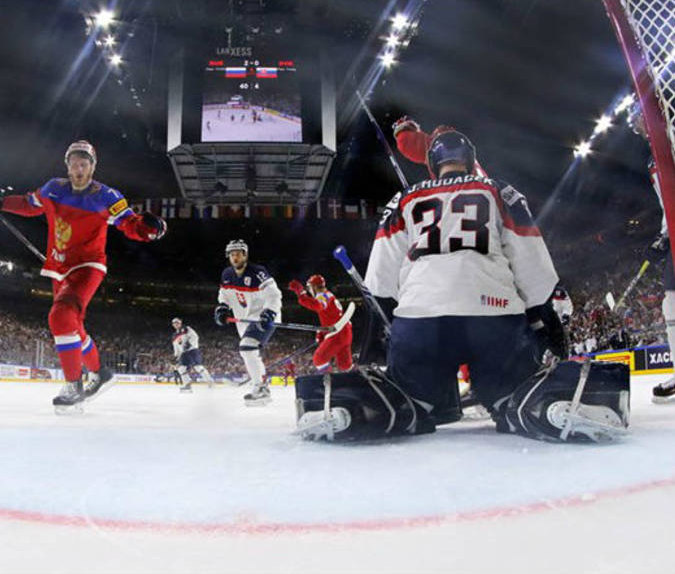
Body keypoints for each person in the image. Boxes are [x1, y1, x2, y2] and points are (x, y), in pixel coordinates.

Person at [296, 129, 629, 443]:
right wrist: (543, 317)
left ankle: (348, 410)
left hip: (421, 319)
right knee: (512, 396)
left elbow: (380, 278)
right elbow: (532, 261)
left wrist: (389, 328)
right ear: (470, 160)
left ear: (432, 165)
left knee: (409, 402)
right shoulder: (499, 190)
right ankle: (549, 406)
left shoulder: (405, 198)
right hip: (493, 317)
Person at [0, 140, 166, 410]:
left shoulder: (106, 196)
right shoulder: (53, 189)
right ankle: (101, 374)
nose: (78, 168)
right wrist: (0, 202)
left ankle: (73, 385)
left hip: (88, 266)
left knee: (60, 315)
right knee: (73, 326)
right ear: (67, 165)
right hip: (59, 267)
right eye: (74, 163)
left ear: (92, 167)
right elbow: (31, 204)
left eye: (84, 163)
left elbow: (129, 223)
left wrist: (147, 229)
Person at [629, 102, 675, 404]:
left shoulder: (671, 136)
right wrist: (663, 233)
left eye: (639, 120)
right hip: (673, 229)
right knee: (671, 302)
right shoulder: (652, 155)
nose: (639, 128)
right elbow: (666, 200)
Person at [214, 239, 282, 406]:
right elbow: (224, 296)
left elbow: (273, 294)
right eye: (232, 254)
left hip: (261, 318)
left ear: (245, 255)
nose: (235, 257)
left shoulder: (258, 272)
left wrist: (270, 312)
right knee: (248, 351)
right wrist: (222, 308)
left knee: (247, 347)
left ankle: (260, 388)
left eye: (238, 254)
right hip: (244, 321)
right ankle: (261, 385)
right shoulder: (227, 275)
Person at [287, 274, 353, 372]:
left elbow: (318, 305)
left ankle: (328, 382)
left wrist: (301, 293)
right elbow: (331, 316)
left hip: (337, 334)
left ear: (314, 286)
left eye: (309, 287)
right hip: (345, 332)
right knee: (345, 365)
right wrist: (322, 332)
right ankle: (355, 380)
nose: (309, 290)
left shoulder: (323, 294)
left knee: (319, 360)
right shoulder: (328, 294)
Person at [171, 317, 214, 392]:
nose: (176, 324)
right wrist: (176, 357)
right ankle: (187, 385)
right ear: (173, 325)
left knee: (198, 367)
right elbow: (176, 347)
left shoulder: (186, 329)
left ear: (180, 322)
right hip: (184, 354)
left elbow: (195, 336)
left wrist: (190, 344)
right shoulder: (174, 335)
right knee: (181, 368)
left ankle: (210, 382)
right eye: (174, 323)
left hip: (192, 350)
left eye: (177, 322)